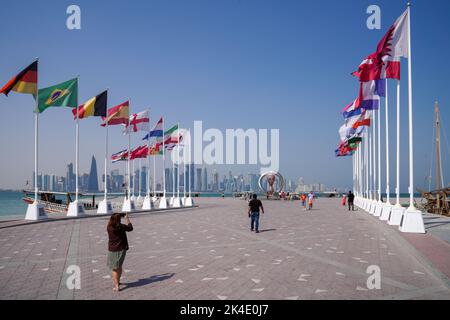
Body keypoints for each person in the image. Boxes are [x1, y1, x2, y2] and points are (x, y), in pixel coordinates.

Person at [107, 212, 133, 292]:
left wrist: (116, 216)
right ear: (119, 220)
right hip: (122, 249)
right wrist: (126, 218)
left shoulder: (109, 227)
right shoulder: (121, 227)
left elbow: (112, 220)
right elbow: (130, 228)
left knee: (115, 268)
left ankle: (117, 285)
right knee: (119, 266)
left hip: (113, 250)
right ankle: (117, 282)